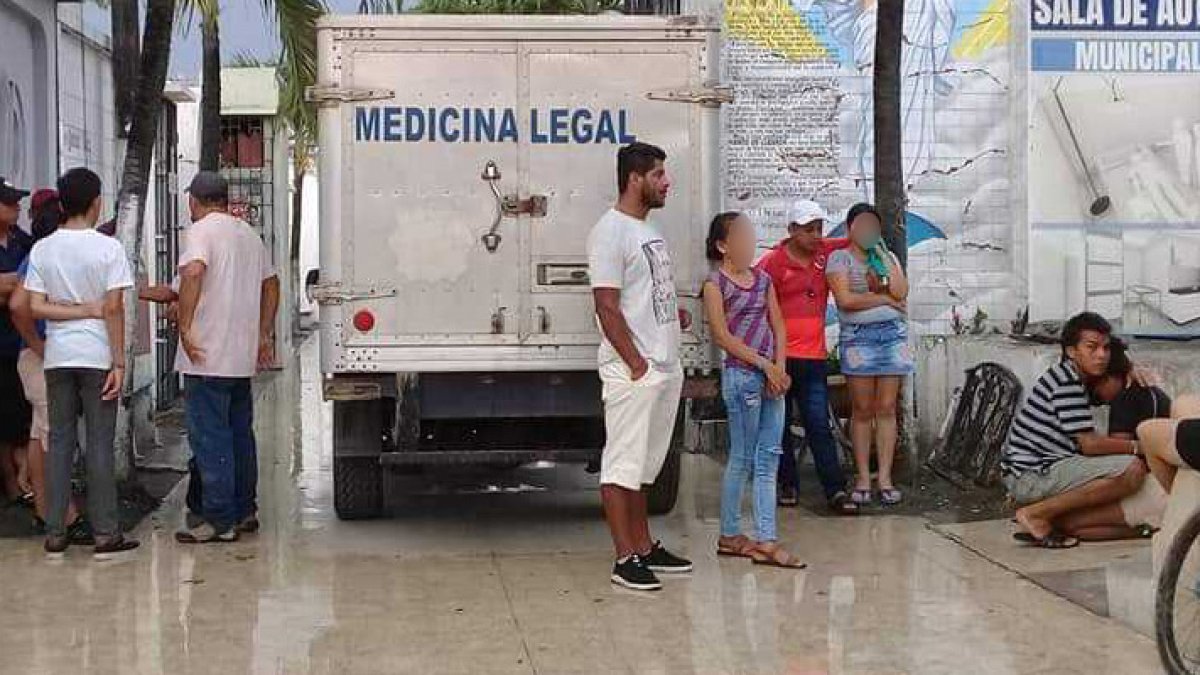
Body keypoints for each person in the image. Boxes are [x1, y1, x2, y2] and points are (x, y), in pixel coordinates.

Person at [587, 142, 692, 591]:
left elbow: (640, 296)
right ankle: (624, 557)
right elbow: (606, 306)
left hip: (663, 365)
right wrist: (634, 363)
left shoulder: (647, 229)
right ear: (635, 179)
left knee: (645, 468)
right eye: (659, 175)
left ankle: (646, 547)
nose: (667, 182)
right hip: (635, 371)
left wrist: (672, 319)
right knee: (621, 466)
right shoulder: (610, 232)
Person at [24, 168, 138, 557]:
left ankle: (56, 531)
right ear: (96, 203)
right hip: (97, 356)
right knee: (99, 446)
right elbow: (113, 309)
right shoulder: (109, 249)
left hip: (58, 358)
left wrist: (69, 310)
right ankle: (106, 533)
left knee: (59, 443)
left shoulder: (43, 249)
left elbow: (34, 306)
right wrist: (119, 362)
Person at [174, 171, 279, 544]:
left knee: (210, 437)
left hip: (206, 356)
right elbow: (272, 283)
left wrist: (185, 326)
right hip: (239, 356)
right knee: (239, 434)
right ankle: (245, 509)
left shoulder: (201, 231)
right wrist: (264, 333)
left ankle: (218, 520)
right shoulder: (247, 234)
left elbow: (194, 271)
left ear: (196, 200)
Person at [704, 212, 806, 569]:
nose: (749, 241)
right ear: (722, 245)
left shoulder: (763, 280)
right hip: (742, 376)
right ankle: (731, 533)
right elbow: (722, 335)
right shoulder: (715, 284)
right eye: (741, 235)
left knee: (770, 457)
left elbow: (778, 324)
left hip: (769, 378)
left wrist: (778, 368)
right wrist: (764, 366)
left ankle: (766, 538)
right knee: (743, 458)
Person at [1003, 312, 1149, 549]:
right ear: (1071, 351)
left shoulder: (1069, 376)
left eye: (1106, 348)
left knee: (1121, 467)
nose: (1101, 355)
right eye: (1092, 347)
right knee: (1131, 469)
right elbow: (1089, 445)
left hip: (1034, 469)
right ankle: (1035, 514)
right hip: (1033, 474)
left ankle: (1052, 517)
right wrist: (1140, 447)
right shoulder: (1066, 383)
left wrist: (1129, 367)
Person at [756, 200, 856, 514]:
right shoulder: (772, 263)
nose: (816, 235)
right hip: (780, 357)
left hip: (813, 357)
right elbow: (749, 287)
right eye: (809, 229)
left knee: (818, 424)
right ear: (791, 231)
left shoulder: (826, 253)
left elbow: (856, 239)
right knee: (779, 425)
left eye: (819, 229)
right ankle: (787, 484)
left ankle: (835, 488)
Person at [8, 190, 93, 540]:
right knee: (50, 438)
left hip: (40, 357)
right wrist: (37, 344)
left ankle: (47, 509)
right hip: (43, 358)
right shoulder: (44, 255)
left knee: (39, 434)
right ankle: (63, 515)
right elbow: (18, 305)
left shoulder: (39, 253)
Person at [826, 203, 912, 506]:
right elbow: (846, 300)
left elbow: (901, 293)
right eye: (861, 225)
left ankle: (884, 477)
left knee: (887, 407)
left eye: (873, 227)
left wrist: (883, 258)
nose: (867, 231)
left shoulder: (886, 257)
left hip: (892, 337)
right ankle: (863, 476)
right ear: (850, 228)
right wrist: (882, 299)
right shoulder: (839, 259)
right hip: (858, 339)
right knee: (862, 409)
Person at [1084, 338, 1170, 539]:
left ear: (1111, 377)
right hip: (1167, 484)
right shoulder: (1152, 391)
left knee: (1070, 523)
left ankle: (1147, 524)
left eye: (1094, 386)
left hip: (1148, 488)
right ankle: (1148, 527)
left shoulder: (1123, 400)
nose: (1094, 396)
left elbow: (1118, 461)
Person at [0, 178, 33, 506]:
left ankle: (24, 480)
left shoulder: (21, 241)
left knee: (22, 418)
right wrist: (18, 282)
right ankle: (10, 483)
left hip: (20, 344)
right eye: (8, 202)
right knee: (4, 420)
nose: (16, 208)